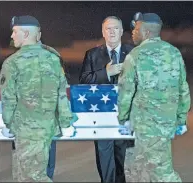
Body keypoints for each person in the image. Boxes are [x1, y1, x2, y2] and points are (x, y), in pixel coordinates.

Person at [0, 15, 75, 182]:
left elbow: (9, 98)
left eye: (14, 32)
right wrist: (65, 123)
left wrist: (8, 123)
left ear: (25, 34)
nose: (12, 36)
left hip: (26, 129)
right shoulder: (54, 59)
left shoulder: (12, 63)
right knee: (25, 174)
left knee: (31, 177)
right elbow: (62, 94)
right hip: (47, 127)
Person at [117, 12, 191, 182]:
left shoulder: (135, 55)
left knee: (160, 171)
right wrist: (181, 119)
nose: (133, 32)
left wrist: (123, 118)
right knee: (141, 169)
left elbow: (126, 91)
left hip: (146, 124)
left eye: (136, 28)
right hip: (167, 121)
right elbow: (183, 89)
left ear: (146, 32)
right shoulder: (174, 53)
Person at [79, 16, 134, 183]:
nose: (112, 32)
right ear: (103, 32)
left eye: (115, 28)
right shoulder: (92, 55)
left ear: (122, 31)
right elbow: (83, 82)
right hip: (102, 117)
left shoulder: (133, 53)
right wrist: (106, 73)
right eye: (108, 29)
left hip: (126, 117)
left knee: (124, 161)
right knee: (105, 161)